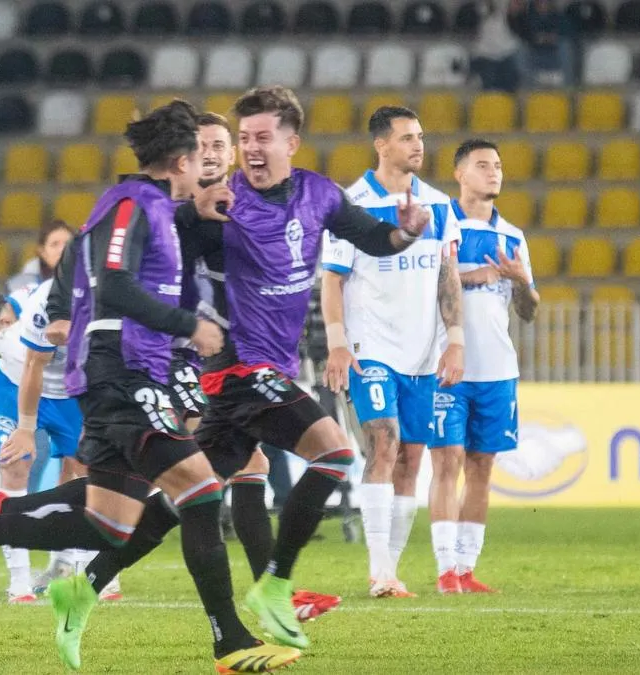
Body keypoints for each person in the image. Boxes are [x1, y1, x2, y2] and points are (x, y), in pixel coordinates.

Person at [0, 100, 300, 673]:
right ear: (179, 159)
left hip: (126, 373)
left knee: (110, 517)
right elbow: (116, 285)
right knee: (199, 491)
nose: (207, 162)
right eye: (200, 153)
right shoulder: (132, 204)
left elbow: (84, 260)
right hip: (125, 372)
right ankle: (231, 642)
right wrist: (185, 326)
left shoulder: (145, 207)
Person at [176, 86, 431, 650]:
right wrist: (187, 215)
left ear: (292, 142)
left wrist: (406, 232)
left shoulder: (317, 193)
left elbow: (373, 238)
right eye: (240, 140)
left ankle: (82, 572)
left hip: (266, 365)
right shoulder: (216, 202)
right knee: (336, 452)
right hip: (229, 364)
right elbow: (161, 248)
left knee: (195, 486)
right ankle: (275, 585)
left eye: (257, 138)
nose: (247, 150)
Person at [321, 106, 465, 599]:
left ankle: (391, 569)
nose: (418, 145)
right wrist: (338, 344)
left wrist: (456, 340)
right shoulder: (352, 205)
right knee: (383, 444)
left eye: (421, 136)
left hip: (423, 354)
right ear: (381, 145)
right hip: (370, 348)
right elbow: (332, 280)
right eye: (407, 138)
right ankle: (380, 567)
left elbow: (448, 277)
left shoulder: (440, 206)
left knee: (411, 459)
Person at [0, 282, 114, 603]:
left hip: (62, 389)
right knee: (14, 467)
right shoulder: (0, 352)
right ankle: (20, 584)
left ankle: (84, 569)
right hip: (11, 388)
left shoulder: (43, 300)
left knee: (87, 469)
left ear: (3, 324)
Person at [428, 139, 538, 594]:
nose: (494, 172)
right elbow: (426, 287)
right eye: (483, 165)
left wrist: (521, 282)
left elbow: (529, 311)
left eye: (498, 165)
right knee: (447, 463)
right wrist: (474, 276)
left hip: (497, 370)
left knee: (481, 467)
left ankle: (467, 568)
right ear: (459, 173)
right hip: (447, 366)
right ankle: (444, 569)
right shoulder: (441, 224)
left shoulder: (512, 236)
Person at [7, 219, 76, 493]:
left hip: (72, 390)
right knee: (29, 459)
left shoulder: (98, 287)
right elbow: (29, 360)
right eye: (55, 244)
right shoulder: (28, 293)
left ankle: (63, 527)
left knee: (77, 476)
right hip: (31, 383)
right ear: (42, 252)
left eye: (67, 244)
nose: (62, 249)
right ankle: (14, 520)